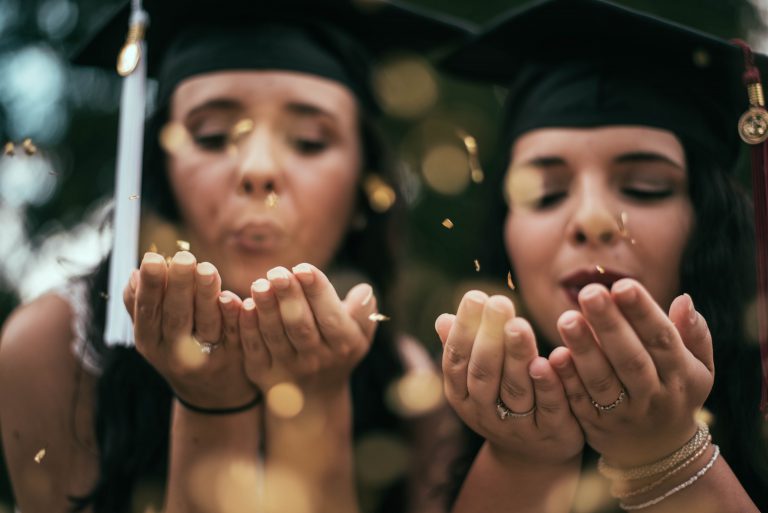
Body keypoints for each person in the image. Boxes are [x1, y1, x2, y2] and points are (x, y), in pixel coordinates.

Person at [0, 1, 473, 512]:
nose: (258, 169)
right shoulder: (55, 348)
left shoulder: (409, 384)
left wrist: (316, 403)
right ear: (160, 175)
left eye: (310, 141)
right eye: (212, 136)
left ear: (367, 190)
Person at [435, 0, 768, 511]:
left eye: (645, 186)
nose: (591, 219)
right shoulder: (430, 427)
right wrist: (520, 457)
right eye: (545, 193)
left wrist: (664, 453)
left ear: (710, 223)